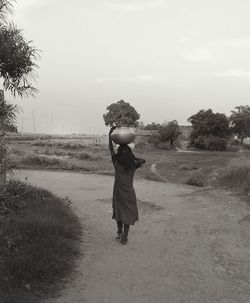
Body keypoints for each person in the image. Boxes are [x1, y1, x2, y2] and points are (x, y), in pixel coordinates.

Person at [109, 126, 146, 244]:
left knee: (119, 211)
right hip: (129, 192)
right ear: (130, 154)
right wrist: (134, 158)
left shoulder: (116, 162)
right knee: (128, 213)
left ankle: (119, 232)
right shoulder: (133, 165)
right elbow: (143, 160)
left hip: (118, 192)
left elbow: (111, 149)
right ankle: (124, 236)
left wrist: (110, 135)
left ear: (119, 154)